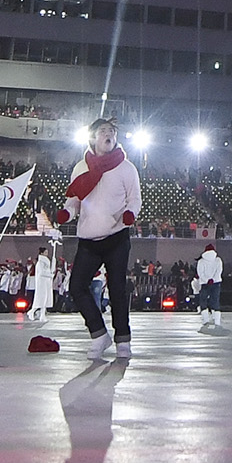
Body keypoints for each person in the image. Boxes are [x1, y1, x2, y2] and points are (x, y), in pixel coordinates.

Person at [61, 117, 142, 361]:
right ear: (93, 137)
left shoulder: (126, 167)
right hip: (89, 237)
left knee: (117, 288)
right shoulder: (80, 167)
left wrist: (130, 214)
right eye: (104, 131)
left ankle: (123, 339)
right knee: (76, 286)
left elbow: (135, 198)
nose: (109, 135)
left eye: (112, 132)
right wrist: (67, 212)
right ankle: (98, 334)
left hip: (116, 236)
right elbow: (74, 198)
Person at [193, 242, 225, 330]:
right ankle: (217, 321)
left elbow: (200, 273)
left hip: (204, 284)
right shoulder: (218, 260)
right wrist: (213, 279)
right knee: (215, 301)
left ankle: (205, 320)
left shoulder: (201, 261)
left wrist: (207, 280)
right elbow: (219, 271)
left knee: (203, 301)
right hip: (216, 283)